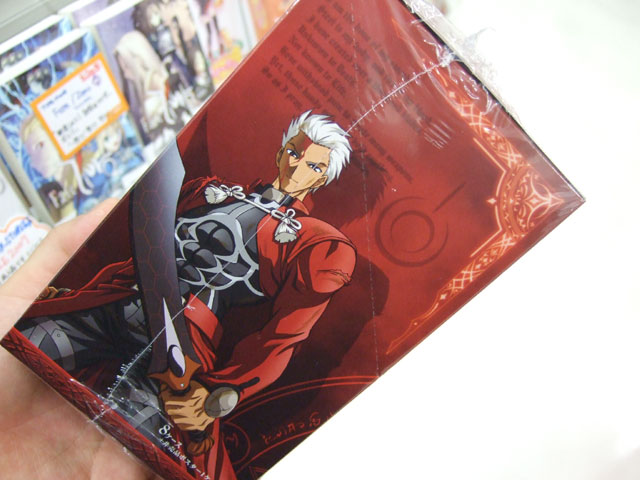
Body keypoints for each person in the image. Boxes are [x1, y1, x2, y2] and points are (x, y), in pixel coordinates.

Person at [5, 111, 356, 478]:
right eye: (295, 153)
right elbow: (148, 249)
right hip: (112, 305)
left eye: (313, 166)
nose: (297, 167)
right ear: (281, 152)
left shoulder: (315, 243)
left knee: (146, 444)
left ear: (322, 178)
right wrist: (82, 292)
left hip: (176, 349)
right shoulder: (207, 191)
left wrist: (222, 392)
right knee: (29, 350)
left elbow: (284, 336)